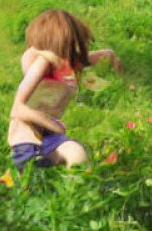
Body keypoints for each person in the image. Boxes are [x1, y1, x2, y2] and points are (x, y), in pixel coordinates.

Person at [8, 9, 121, 172]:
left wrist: (108, 55)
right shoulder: (43, 63)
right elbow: (18, 109)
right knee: (36, 175)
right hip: (28, 141)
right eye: (72, 44)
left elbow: (85, 60)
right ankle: (34, 177)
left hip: (50, 138)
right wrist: (55, 125)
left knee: (77, 154)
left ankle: (77, 191)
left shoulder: (63, 63)